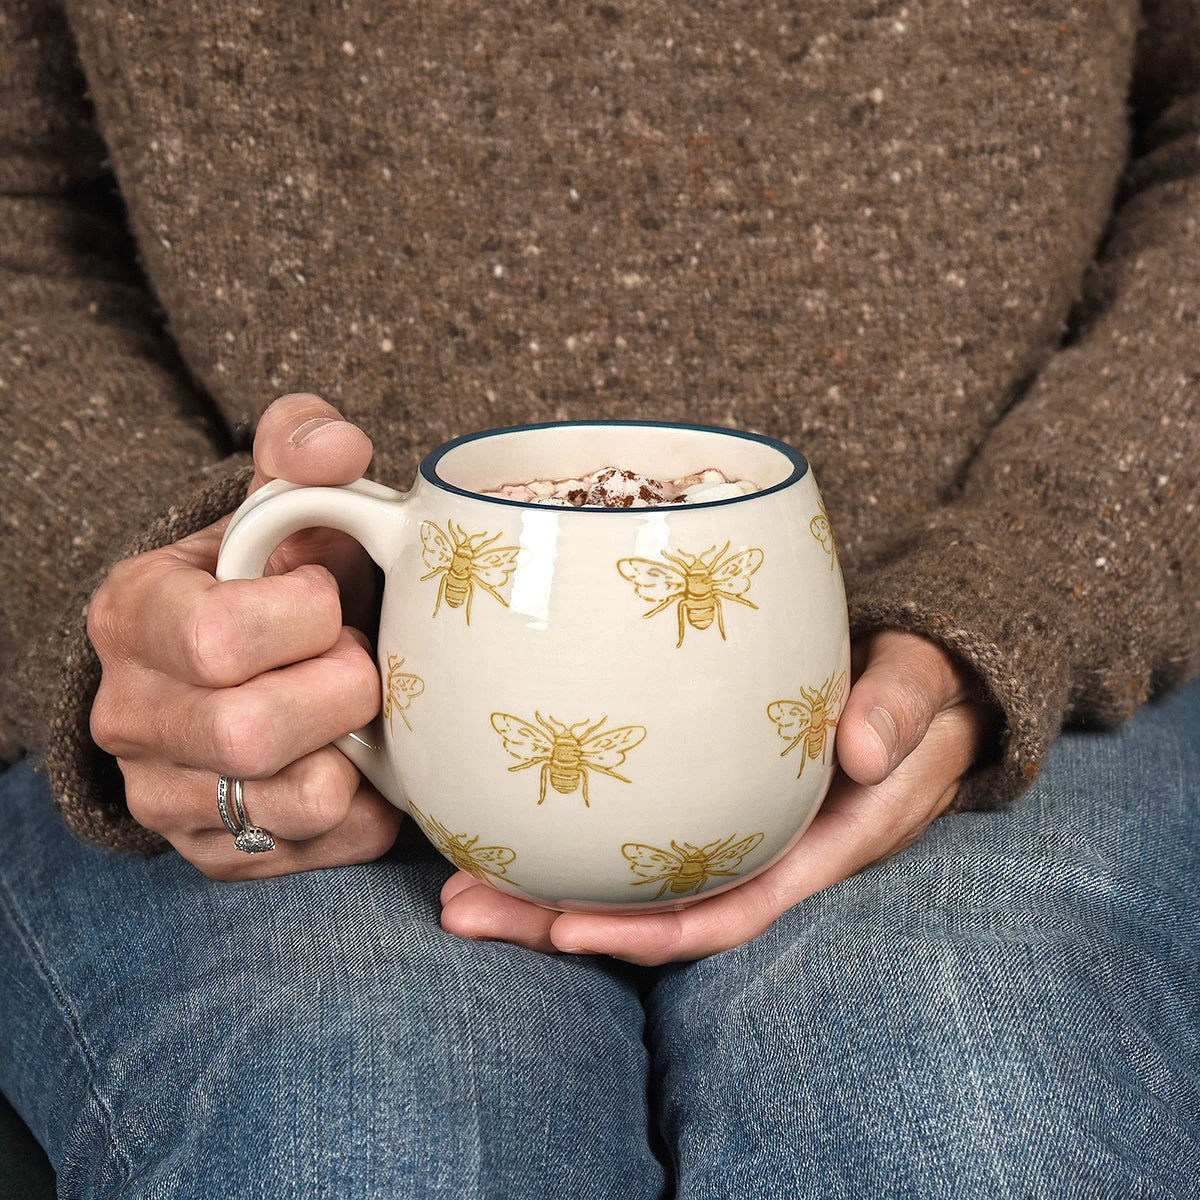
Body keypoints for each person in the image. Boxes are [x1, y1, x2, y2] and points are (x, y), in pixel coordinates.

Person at [2, 1, 1197, 1195]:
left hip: (994, 691)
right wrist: (173, 613)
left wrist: (1029, 586)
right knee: (360, 1121)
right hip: (289, 734)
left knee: (971, 1087)